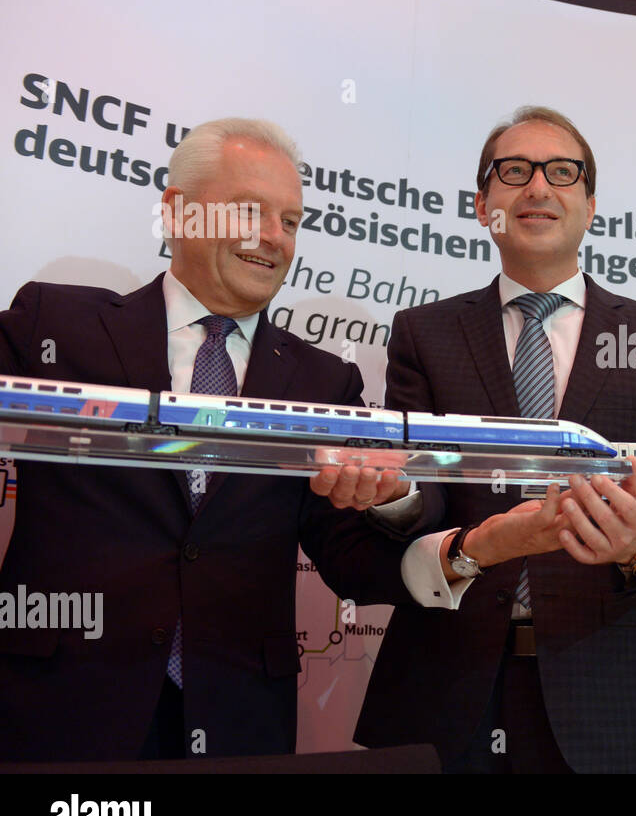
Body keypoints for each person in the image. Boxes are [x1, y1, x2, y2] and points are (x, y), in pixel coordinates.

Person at [0, 118, 407, 762]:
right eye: (251, 212)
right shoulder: (55, 324)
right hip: (61, 714)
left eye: (292, 221)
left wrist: (395, 503)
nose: (274, 238)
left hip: (237, 724)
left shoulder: (325, 381)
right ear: (177, 213)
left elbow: (352, 555)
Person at [350, 106, 636, 773]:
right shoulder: (424, 333)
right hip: (444, 686)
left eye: (561, 172)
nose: (538, 188)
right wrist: (394, 495)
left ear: (591, 204)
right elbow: (421, 496)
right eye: (514, 172)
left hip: (605, 692)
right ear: (483, 203)